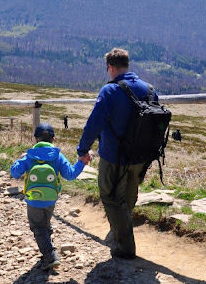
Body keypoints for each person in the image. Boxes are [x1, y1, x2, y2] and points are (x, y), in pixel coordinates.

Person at [76, 48, 158, 260]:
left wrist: (82, 150)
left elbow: (94, 125)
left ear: (111, 67)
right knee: (129, 196)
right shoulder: (149, 90)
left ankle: (125, 247)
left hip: (114, 157)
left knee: (111, 197)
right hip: (140, 158)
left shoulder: (109, 91)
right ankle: (120, 230)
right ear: (127, 65)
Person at [10, 123, 90, 270]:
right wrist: (81, 163)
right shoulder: (57, 155)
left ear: (35, 139)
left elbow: (14, 173)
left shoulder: (29, 155)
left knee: (37, 226)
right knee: (45, 224)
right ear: (53, 139)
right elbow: (70, 174)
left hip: (33, 199)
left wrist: (20, 158)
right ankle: (47, 250)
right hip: (51, 197)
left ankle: (50, 255)